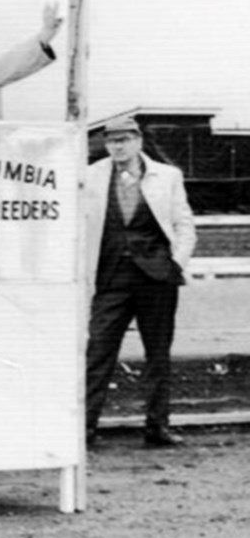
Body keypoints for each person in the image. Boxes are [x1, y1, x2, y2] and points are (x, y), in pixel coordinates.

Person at [84, 116, 197, 448]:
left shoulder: (168, 176)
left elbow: (184, 224)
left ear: (138, 141)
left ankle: (157, 427)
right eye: (111, 141)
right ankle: (86, 428)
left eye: (124, 140)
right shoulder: (90, 176)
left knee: (158, 354)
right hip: (110, 277)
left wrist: (175, 263)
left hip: (156, 279)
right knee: (98, 352)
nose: (117, 146)